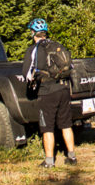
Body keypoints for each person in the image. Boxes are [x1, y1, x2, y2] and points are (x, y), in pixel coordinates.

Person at [22, 18, 77, 168]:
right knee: (66, 124)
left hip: (47, 92)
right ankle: (71, 157)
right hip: (63, 89)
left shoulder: (34, 49)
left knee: (47, 128)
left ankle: (49, 161)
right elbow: (70, 66)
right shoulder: (57, 45)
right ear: (45, 33)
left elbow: (27, 74)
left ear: (33, 33)